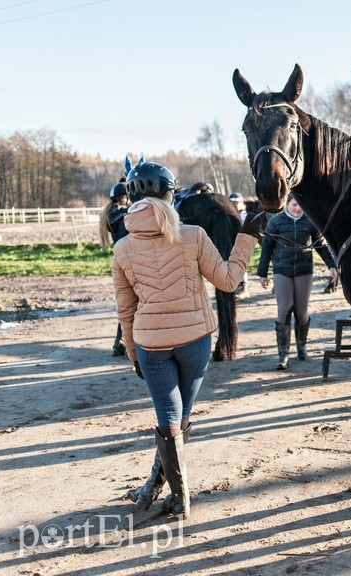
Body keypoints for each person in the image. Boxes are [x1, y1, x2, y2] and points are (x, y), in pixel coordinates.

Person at [114, 161, 260, 521]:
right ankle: (165, 492)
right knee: (180, 418)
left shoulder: (122, 248)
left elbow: (125, 311)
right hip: (195, 340)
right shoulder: (192, 234)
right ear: (170, 195)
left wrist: (133, 353)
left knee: (169, 419)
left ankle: (166, 491)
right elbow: (228, 281)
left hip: (151, 345)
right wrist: (247, 239)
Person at [256, 194, 338, 370]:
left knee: (301, 313)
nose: (297, 208)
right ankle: (283, 354)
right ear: (287, 204)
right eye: (294, 205)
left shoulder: (309, 221)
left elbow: (320, 245)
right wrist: (262, 273)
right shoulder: (276, 222)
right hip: (282, 270)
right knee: (284, 307)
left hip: (303, 270)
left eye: (300, 205)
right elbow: (267, 248)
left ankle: (301, 347)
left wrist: (332, 265)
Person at [98, 180, 131, 356]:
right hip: (129, 260)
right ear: (123, 197)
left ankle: (119, 343)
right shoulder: (123, 214)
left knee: (126, 303)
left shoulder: (109, 214)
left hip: (119, 261)